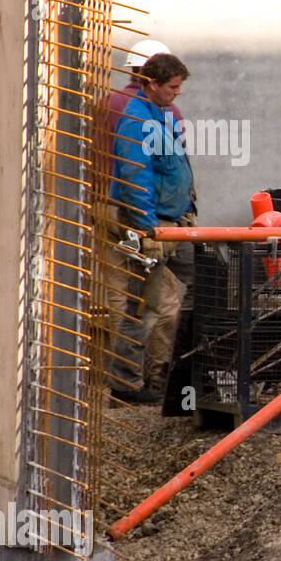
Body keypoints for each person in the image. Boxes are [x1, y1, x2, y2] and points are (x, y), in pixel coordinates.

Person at [107, 53, 195, 402]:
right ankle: (126, 386)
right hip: (151, 226)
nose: (177, 94)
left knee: (213, 279)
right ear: (152, 83)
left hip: (171, 224)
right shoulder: (137, 120)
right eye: (172, 87)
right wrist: (146, 231)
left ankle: (178, 375)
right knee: (144, 305)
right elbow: (133, 177)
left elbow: (170, 170)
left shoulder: (158, 114)